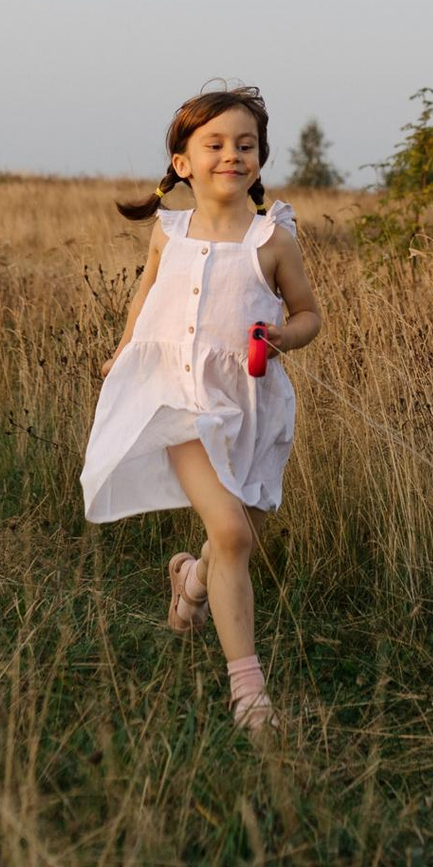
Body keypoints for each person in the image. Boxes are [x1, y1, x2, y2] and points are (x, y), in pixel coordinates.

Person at [80, 85, 322, 735]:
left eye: (245, 144)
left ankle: (188, 580)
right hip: (176, 400)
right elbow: (145, 297)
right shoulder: (170, 232)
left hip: (250, 407)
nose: (231, 155)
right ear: (183, 161)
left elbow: (308, 314)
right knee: (235, 535)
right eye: (214, 144)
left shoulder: (273, 238)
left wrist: (283, 338)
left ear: (260, 158)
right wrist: (124, 351)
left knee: (234, 534)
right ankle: (250, 693)